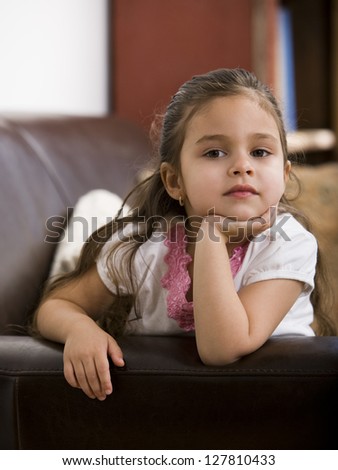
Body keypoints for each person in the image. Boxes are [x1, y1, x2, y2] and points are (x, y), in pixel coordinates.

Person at [33, 68, 335, 401]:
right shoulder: (142, 246)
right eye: (214, 153)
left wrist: (209, 237)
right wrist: (80, 328)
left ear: (284, 173)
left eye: (260, 152)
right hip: (163, 412)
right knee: (99, 216)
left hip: (270, 409)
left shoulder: (288, 243)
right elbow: (58, 304)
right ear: (175, 181)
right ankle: (98, 210)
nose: (242, 166)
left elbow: (222, 348)